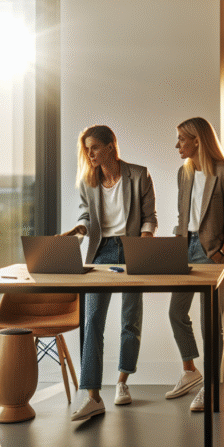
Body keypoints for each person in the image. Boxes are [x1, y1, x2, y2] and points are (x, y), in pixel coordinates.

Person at [62, 125, 157, 421]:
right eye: (86, 149)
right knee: (92, 321)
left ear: (110, 146)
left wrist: (145, 241)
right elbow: (86, 216)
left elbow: (149, 216)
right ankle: (92, 395)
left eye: (94, 147)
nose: (89, 154)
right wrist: (79, 229)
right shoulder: (88, 182)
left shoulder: (139, 175)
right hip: (100, 252)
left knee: (130, 318)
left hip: (132, 249)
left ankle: (122, 383)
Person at [166, 117, 224, 413]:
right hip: (185, 250)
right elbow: (181, 218)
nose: (177, 145)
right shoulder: (183, 173)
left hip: (211, 252)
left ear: (197, 140)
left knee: (212, 323)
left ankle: (210, 386)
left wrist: (221, 253)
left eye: (182, 140)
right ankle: (190, 371)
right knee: (176, 312)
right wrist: (174, 250)